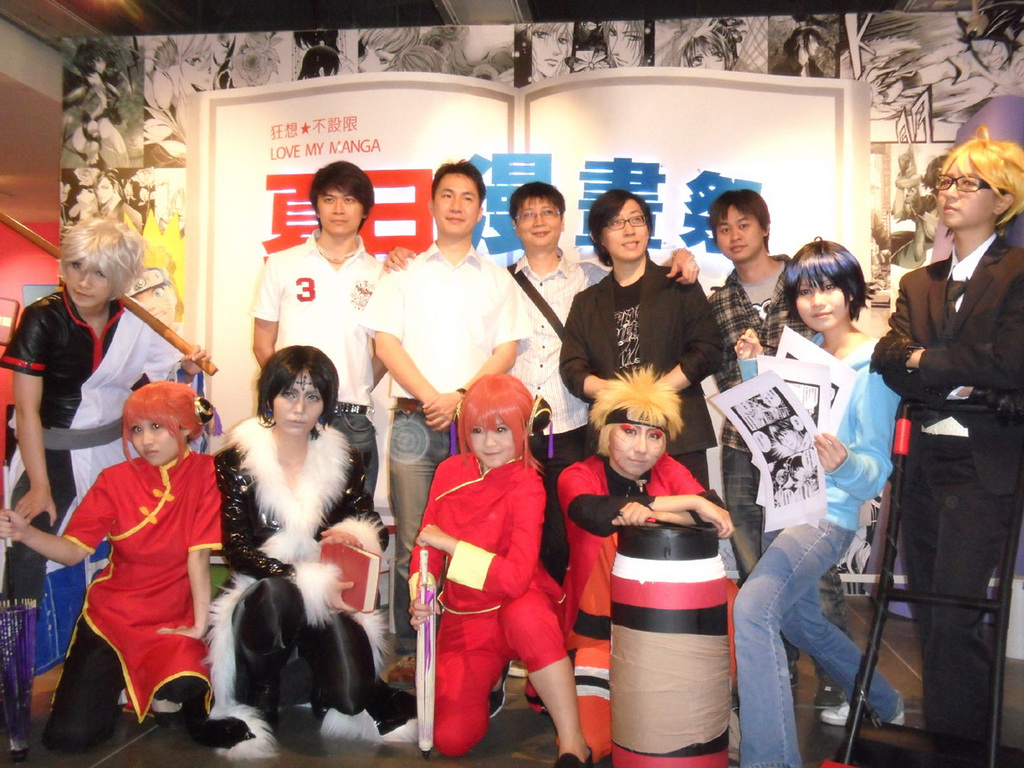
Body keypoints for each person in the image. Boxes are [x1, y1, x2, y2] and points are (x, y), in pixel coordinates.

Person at [871, 125, 1024, 743]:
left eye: (969, 183)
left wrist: (925, 363)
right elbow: (888, 360)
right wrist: (952, 372)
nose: (950, 191)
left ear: (1003, 198)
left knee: (959, 610)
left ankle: (965, 741)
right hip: (923, 461)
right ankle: (947, 736)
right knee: (931, 609)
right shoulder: (918, 281)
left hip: (983, 465)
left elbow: (1009, 363)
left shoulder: (1018, 272)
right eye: (947, 181)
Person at [731, 239, 905, 768]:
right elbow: (773, 426)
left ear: (851, 291)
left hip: (827, 514)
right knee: (800, 623)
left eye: (828, 287)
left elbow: (877, 466)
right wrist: (751, 370)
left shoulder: (874, 364)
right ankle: (884, 701)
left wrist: (843, 463)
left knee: (753, 609)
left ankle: (771, 759)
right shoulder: (802, 354)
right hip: (783, 505)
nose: (817, 301)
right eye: (805, 292)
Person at [361, 160, 530, 685]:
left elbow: (507, 349)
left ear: (481, 212)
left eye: (468, 198)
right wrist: (432, 396)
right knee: (416, 540)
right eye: (448, 195)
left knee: (480, 540)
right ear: (432, 204)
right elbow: (385, 343)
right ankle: (412, 651)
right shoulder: (403, 272)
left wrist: (461, 399)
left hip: (479, 432)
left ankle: (475, 647)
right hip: (415, 421)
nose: (457, 205)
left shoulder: (498, 279)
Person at [205, 346, 414, 757]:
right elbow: (238, 550)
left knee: (352, 699)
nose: (299, 408)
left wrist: (353, 537)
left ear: (326, 403)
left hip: (327, 600)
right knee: (278, 592)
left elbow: (372, 526)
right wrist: (306, 583)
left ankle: (316, 683)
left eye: (312, 396)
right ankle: (263, 691)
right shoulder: (236, 460)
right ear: (270, 396)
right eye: (289, 394)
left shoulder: (344, 458)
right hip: (260, 601)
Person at [0, 382, 232, 751]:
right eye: (136, 429)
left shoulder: (207, 473)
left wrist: (200, 626)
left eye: (157, 427)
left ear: (187, 425)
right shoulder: (114, 479)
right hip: (113, 617)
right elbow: (72, 552)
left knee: (184, 687)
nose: (145, 441)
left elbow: (198, 556)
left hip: (174, 616)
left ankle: (160, 687)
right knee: (68, 740)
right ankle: (119, 684)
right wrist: (25, 533)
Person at [0, 219, 207, 632]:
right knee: (26, 546)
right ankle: (19, 657)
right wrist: (39, 485)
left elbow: (157, 383)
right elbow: (26, 412)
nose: (83, 281)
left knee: (138, 542)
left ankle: (124, 638)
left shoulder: (136, 319)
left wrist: (185, 367)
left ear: (122, 278)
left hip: (119, 453)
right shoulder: (43, 318)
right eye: (76, 265)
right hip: (49, 452)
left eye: (100, 272)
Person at [706, 188, 850, 707]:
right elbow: (719, 370)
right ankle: (776, 668)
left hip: (803, 447)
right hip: (741, 443)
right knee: (754, 562)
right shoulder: (717, 301)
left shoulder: (802, 285)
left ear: (765, 227)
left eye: (743, 224)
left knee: (811, 561)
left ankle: (838, 675)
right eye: (724, 229)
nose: (735, 236)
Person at [408, 374, 591, 766]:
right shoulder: (449, 472)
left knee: (528, 618)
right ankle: (491, 681)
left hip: (519, 602)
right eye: (477, 431)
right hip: (465, 615)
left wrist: (450, 544)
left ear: (525, 427)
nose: (489, 443)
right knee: (451, 739)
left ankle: (574, 741)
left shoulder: (528, 483)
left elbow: (514, 579)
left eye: (502, 430)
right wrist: (421, 589)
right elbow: (426, 547)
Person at [559, 367, 734, 762]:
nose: (641, 449)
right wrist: (689, 504)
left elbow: (716, 515)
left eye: (654, 436)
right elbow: (596, 513)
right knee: (595, 741)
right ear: (607, 432)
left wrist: (661, 511)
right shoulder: (577, 474)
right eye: (629, 432)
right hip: (599, 632)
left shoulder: (668, 469)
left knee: (730, 596)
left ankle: (727, 700)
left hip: (671, 625)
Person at [560, 188, 722, 488]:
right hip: (614, 443)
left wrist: (653, 395)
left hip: (678, 435)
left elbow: (708, 349)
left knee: (685, 516)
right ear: (600, 237)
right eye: (616, 223)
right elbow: (572, 369)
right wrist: (621, 397)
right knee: (621, 518)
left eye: (637, 219)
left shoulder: (678, 284)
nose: (629, 230)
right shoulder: (587, 302)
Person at [252, 160, 385, 495]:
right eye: (329, 199)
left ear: (365, 209)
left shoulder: (380, 274)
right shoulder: (282, 264)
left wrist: (357, 383)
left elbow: (387, 351)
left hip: (352, 418)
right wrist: (292, 393)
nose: (339, 209)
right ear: (316, 206)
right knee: (288, 515)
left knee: (352, 522)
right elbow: (263, 342)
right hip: (293, 417)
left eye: (349, 200)